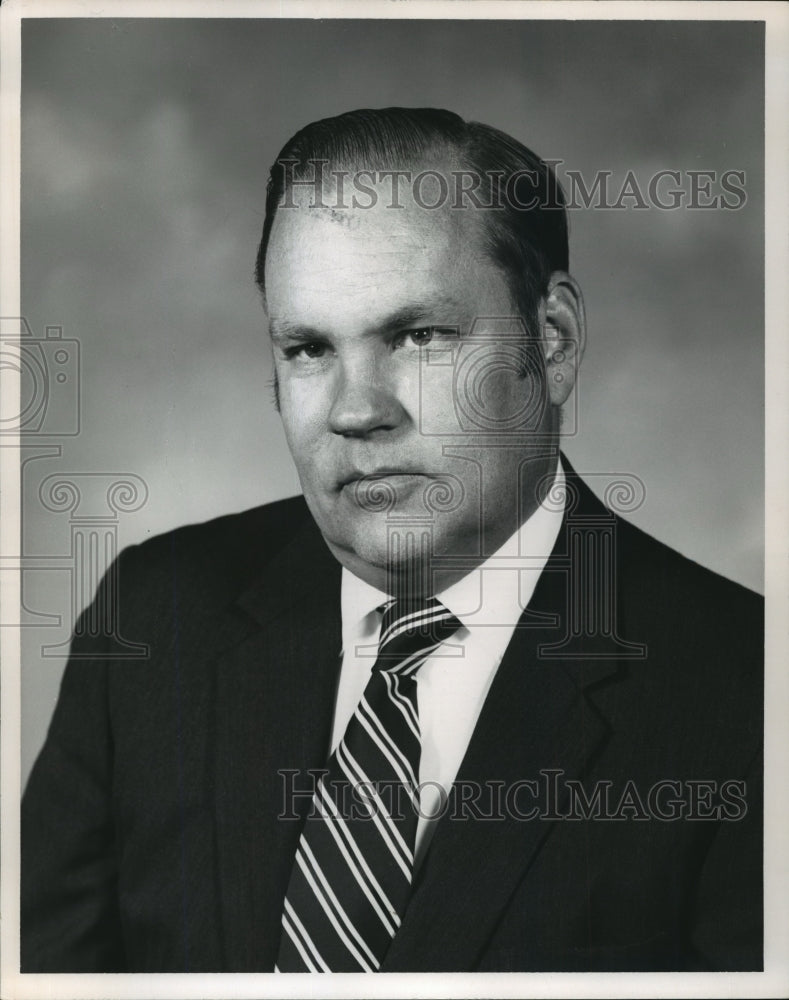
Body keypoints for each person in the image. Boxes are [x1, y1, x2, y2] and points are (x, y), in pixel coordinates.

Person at [21, 107, 762, 973]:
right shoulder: (154, 615)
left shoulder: (744, 692)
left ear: (552, 342)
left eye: (419, 336)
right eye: (306, 348)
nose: (355, 409)